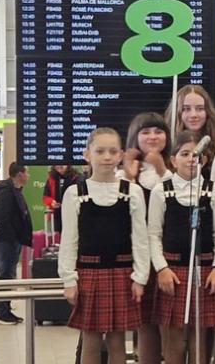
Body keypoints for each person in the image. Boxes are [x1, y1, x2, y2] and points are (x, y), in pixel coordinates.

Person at [59, 128, 150, 364]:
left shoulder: (132, 192)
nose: (107, 157)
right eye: (100, 151)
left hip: (122, 272)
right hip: (88, 274)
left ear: (121, 154)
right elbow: (69, 241)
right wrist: (69, 280)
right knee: (90, 340)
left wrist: (140, 277)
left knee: (117, 341)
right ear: (87, 154)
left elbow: (140, 239)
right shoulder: (74, 193)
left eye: (112, 151)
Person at [148, 131, 215, 364]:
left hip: (205, 271)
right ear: (173, 160)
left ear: (204, 160)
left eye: (196, 155)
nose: (191, 159)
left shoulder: (214, 191)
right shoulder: (161, 191)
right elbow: (153, 235)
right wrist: (162, 268)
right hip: (172, 272)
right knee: (173, 338)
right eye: (185, 154)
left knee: (199, 338)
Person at [119, 112, 170, 364]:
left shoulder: (177, 166)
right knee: (146, 323)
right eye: (146, 132)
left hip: (169, 257)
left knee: (170, 325)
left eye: (158, 131)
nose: (152, 137)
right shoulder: (125, 173)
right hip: (139, 259)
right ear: (134, 137)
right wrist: (128, 175)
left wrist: (161, 168)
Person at [0, 162, 33, 325]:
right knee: (5, 274)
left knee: (9, 274)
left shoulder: (14, 191)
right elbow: (2, 218)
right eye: (26, 172)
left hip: (12, 240)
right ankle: (0, 312)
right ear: (19, 174)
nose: (28, 176)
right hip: (6, 240)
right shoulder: (7, 192)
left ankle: (5, 308)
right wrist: (12, 236)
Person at [165, 84, 215, 164]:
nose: (193, 115)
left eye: (200, 109)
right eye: (186, 109)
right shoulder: (165, 147)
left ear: (208, 112)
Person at [43, 164, 81, 233]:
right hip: (57, 215)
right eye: (57, 165)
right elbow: (45, 197)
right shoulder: (51, 178)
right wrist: (52, 202)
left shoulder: (76, 177)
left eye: (62, 165)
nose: (59, 167)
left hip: (73, 214)